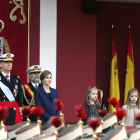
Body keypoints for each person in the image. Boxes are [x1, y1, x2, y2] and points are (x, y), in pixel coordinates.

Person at [0, 53, 22, 125]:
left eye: (10, 62)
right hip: (1, 111)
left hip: (13, 111)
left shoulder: (16, 79)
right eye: (6, 62)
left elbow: (19, 95)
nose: (9, 64)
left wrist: (20, 107)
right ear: (1, 64)